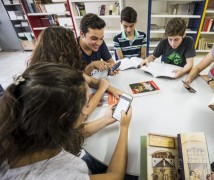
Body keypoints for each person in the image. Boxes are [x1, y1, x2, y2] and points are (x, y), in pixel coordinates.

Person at [0, 63, 132, 179]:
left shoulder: (23, 132)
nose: (86, 110)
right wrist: (124, 127)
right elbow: (114, 176)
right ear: (65, 118)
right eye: (85, 106)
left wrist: (105, 120)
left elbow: (72, 133)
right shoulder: (62, 174)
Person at [28, 27, 122, 125]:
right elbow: (77, 121)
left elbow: (87, 79)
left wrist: (110, 88)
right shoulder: (55, 83)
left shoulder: (53, 66)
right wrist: (101, 90)